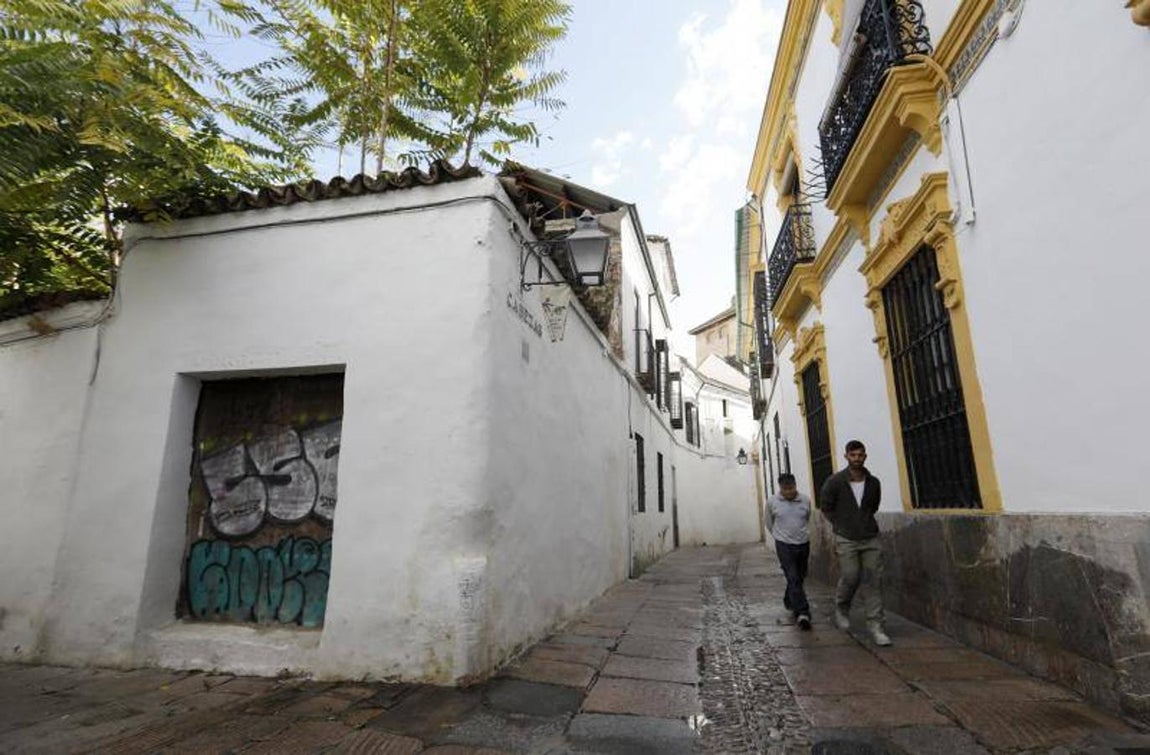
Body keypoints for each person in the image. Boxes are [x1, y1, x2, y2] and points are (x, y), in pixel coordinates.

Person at [817, 439, 891, 646]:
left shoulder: (873, 482)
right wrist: (841, 525)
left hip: (870, 537)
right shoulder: (835, 482)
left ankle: (876, 626)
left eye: (860, 455)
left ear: (865, 456)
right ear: (846, 456)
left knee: (872, 580)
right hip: (846, 537)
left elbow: (873, 506)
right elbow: (826, 506)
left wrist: (863, 521)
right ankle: (841, 606)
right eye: (853, 455)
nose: (857, 459)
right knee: (850, 576)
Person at [765, 472, 812, 630]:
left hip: (803, 543)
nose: (789, 492)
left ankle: (789, 599)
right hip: (784, 544)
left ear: (795, 485)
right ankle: (803, 613)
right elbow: (769, 522)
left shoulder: (805, 500)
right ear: (780, 488)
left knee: (799, 575)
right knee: (792, 576)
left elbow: (807, 517)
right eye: (785, 489)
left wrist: (802, 534)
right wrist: (778, 536)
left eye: (791, 488)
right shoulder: (772, 502)